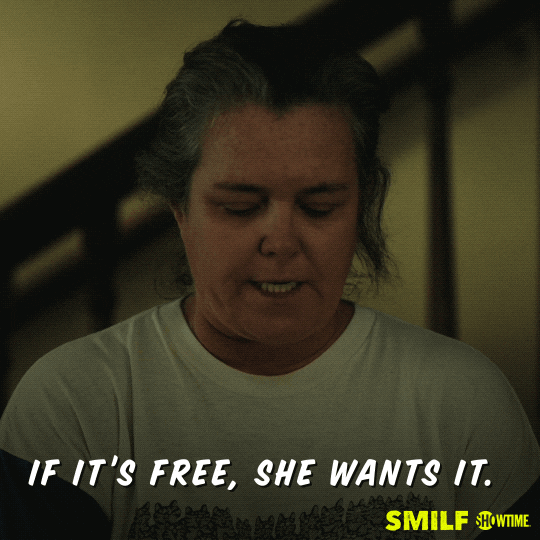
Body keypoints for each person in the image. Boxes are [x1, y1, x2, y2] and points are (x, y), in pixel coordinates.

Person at [1, 20, 539, 540]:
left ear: (360, 207)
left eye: (319, 206)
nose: (281, 242)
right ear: (181, 210)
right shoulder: (77, 404)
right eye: (241, 207)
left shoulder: (460, 401)